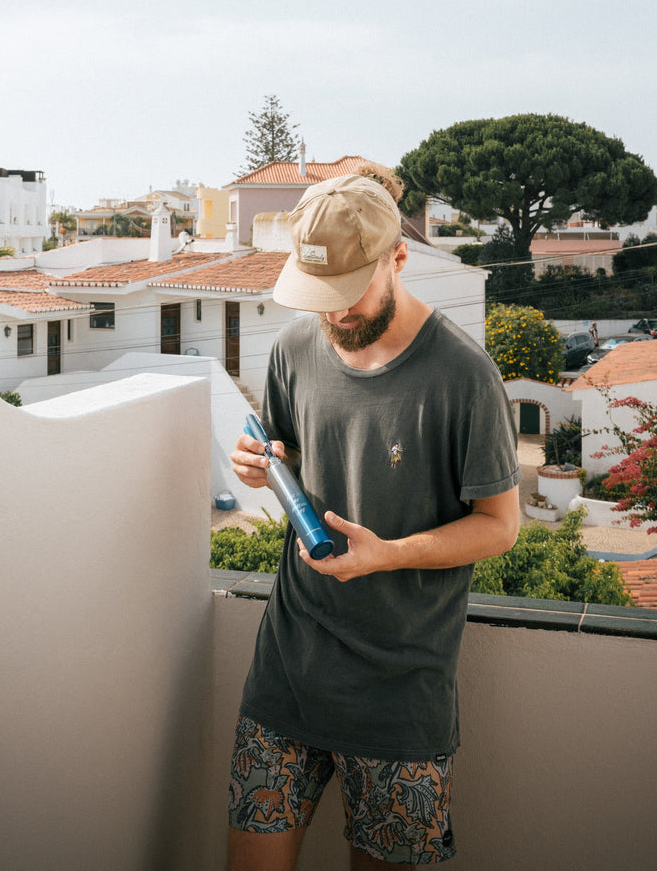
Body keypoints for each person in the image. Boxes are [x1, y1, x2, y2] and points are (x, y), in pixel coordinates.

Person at [228, 169, 521, 871]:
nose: (334, 314)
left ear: (398, 257)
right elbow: (292, 454)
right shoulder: (294, 351)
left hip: (399, 702)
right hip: (285, 678)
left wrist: (385, 555)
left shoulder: (464, 376)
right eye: (319, 296)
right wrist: (260, 463)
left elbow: (499, 526)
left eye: (348, 293)